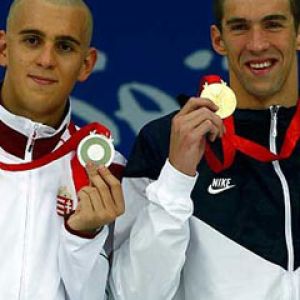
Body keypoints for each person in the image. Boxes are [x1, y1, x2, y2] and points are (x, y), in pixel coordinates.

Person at [108, 0, 300, 299]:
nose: (257, 44)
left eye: (273, 24)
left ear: (298, 33)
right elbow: (133, 293)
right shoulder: (163, 141)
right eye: (239, 27)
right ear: (217, 39)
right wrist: (176, 177)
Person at [0, 0, 125, 299]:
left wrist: (83, 236)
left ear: (86, 65)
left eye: (65, 47)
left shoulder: (108, 174)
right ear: (4, 49)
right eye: (32, 40)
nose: (46, 59)